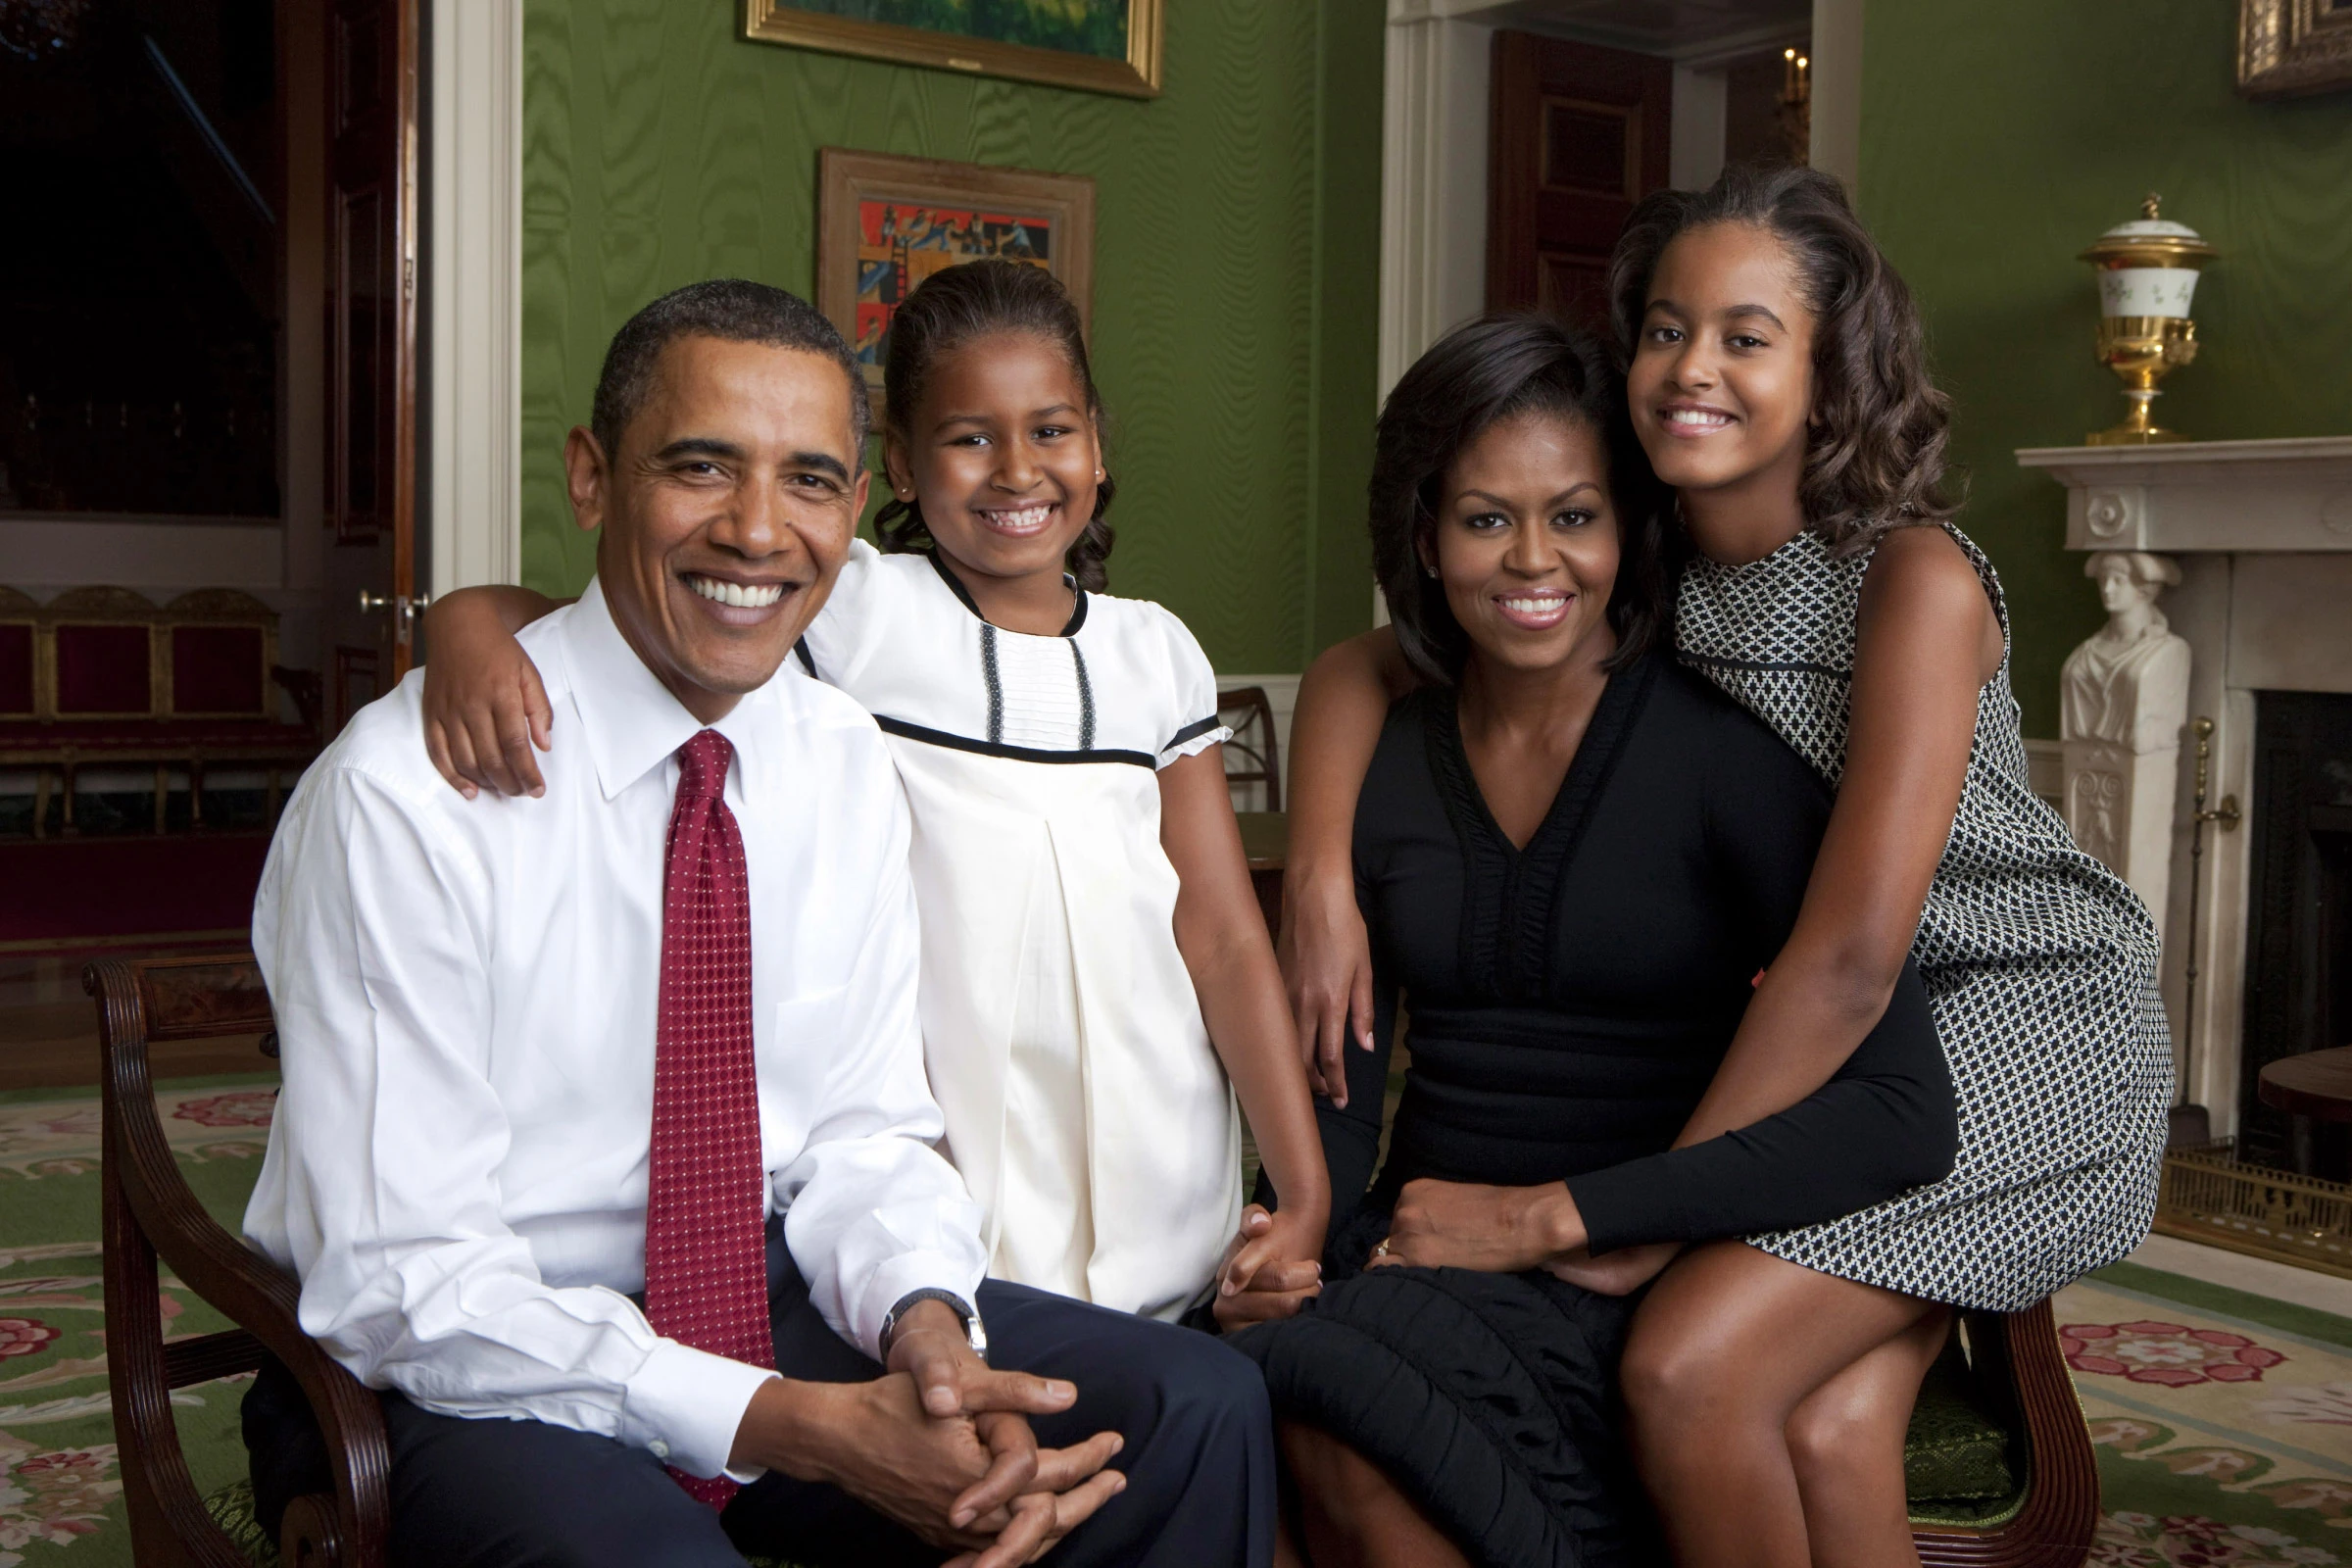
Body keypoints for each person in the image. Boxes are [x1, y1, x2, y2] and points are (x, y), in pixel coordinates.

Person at [241, 278, 1277, 1568]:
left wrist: (926, 1332)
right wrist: (811, 1429)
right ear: (591, 478)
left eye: (808, 481)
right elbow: (407, 1280)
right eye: (700, 467)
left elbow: (863, 1134)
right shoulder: (407, 797)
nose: (756, 530)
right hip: (463, 1357)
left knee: (1196, 1411)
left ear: (854, 506)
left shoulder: (836, 755)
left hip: (756, 1289)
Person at [1281, 166, 2174, 1566]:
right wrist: (1324, 872)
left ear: (1833, 374)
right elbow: (1365, 666)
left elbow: (1848, 960)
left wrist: (1639, 1215)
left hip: (2015, 1018)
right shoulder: (1649, 555)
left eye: (1747, 338)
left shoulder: (1911, 580)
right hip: (1856, 1034)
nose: (1692, 368)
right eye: (1663, 329)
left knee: (1687, 1362)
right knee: (1830, 1429)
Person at [417, 260, 1329, 1333]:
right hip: (959, 1152)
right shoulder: (858, 608)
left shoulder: (1156, 653)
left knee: (1182, 1399)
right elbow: (627, 619)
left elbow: (1220, 935)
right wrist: (463, 623)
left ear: (1097, 445)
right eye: (969, 437)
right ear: (896, 464)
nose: (1016, 471)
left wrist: (1302, 1192)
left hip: (1158, 1129)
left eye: (1051, 430)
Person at [1230, 313, 1957, 1568]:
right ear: (1423, 536)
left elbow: (1899, 1109)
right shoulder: (1390, 760)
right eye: (1483, 518)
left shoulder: (1724, 754)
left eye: (1573, 516)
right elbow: (1342, 1077)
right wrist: (1284, 1229)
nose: (1532, 561)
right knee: (1271, 1376)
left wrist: (1575, 1221)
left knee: (1341, 1408)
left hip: (1633, 1263)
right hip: (1427, 1240)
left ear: (1626, 533)